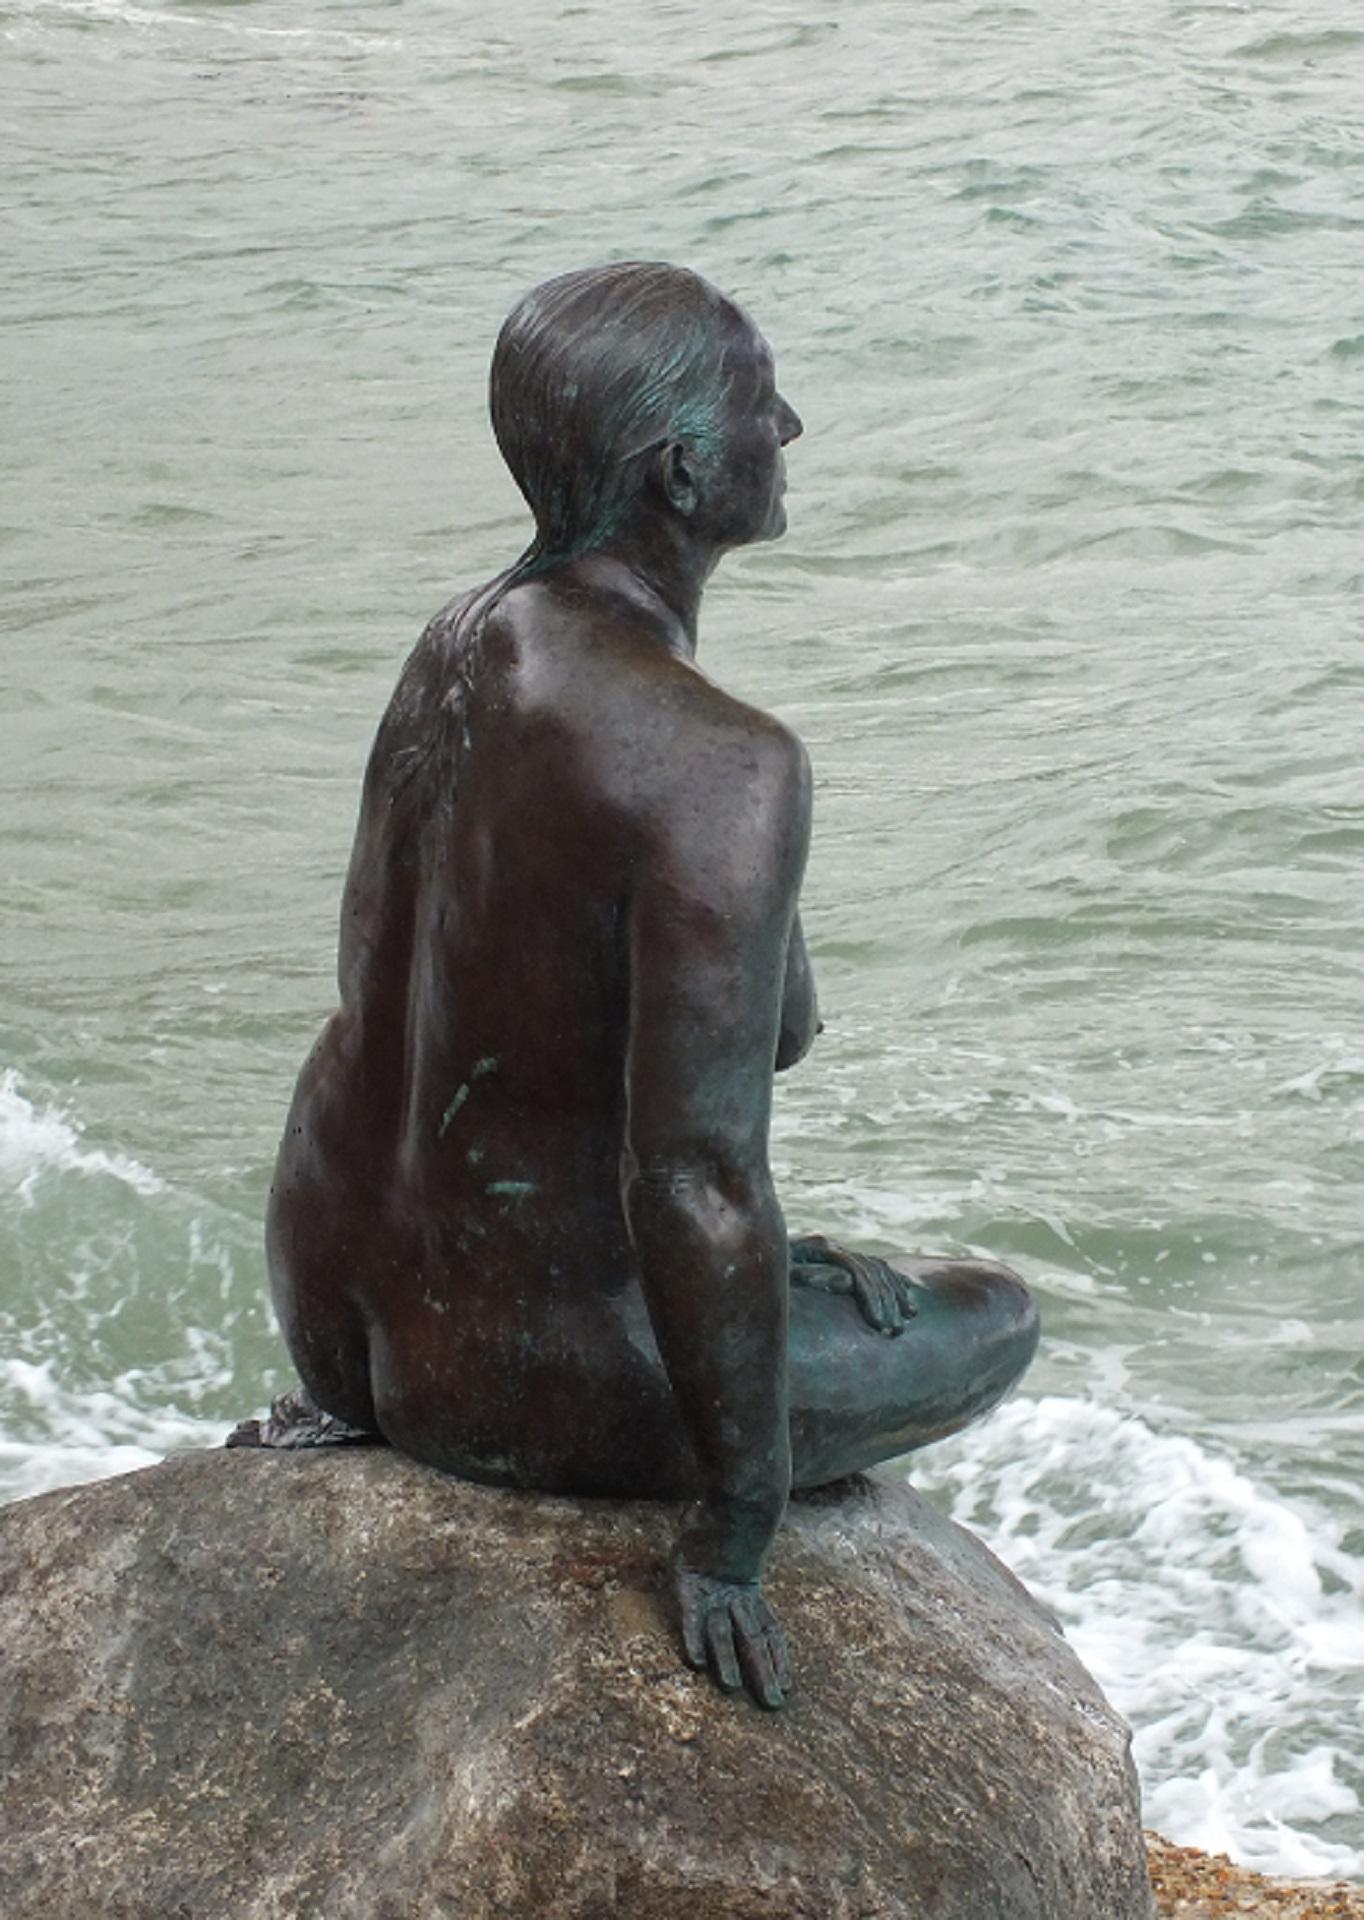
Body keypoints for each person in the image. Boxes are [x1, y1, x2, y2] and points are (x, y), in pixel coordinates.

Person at [235, 263, 1039, 1710]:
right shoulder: (722, 763)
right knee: (995, 1313)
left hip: (351, 1324)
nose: (788, 426)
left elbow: (389, 982)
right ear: (679, 472)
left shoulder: (455, 643)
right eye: (759, 402)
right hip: (540, 1383)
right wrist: (737, 1522)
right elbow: (699, 1175)